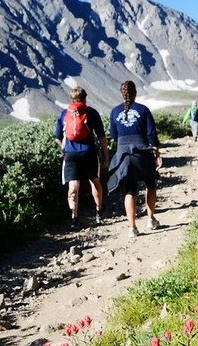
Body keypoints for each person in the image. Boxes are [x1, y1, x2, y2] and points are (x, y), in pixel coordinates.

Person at [107, 80, 162, 239]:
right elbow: (152, 134)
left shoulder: (114, 111)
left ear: (121, 93)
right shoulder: (143, 110)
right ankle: (151, 219)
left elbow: (114, 135)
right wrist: (157, 153)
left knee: (130, 189)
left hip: (124, 153)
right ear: (135, 93)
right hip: (142, 152)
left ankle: (132, 227)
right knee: (150, 183)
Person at [55, 87, 108, 231]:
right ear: (85, 99)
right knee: (94, 181)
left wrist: (64, 149)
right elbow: (102, 137)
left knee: (73, 187)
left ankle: (74, 218)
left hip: (71, 155)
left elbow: (57, 138)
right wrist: (105, 155)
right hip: (89, 153)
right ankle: (99, 211)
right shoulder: (92, 113)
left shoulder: (63, 115)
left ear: (71, 100)